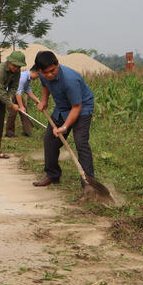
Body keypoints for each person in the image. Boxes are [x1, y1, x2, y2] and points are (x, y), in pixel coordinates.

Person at [32, 51, 97, 188]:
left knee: (81, 143)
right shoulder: (43, 75)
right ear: (40, 71)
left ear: (57, 64)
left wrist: (64, 127)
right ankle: (52, 175)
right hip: (62, 108)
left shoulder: (70, 80)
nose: (49, 75)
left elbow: (76, 107)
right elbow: (45, 85)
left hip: (82, 107)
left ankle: (88, 183)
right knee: (50, 140)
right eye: (45, 72)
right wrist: (44, 100)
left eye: (52, 71)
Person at [5, 66, 40, 137]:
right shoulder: (23, 77)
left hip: (16, 93)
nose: (38, 78)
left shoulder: (28, 78)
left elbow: (28, 90)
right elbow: (18, 93)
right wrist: (21, 106)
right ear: (36, 73)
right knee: (12, 112)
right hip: (9, 93)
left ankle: (27, 132)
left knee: (24, 112)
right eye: (38, 76)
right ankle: (9, 132)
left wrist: (36, 100)